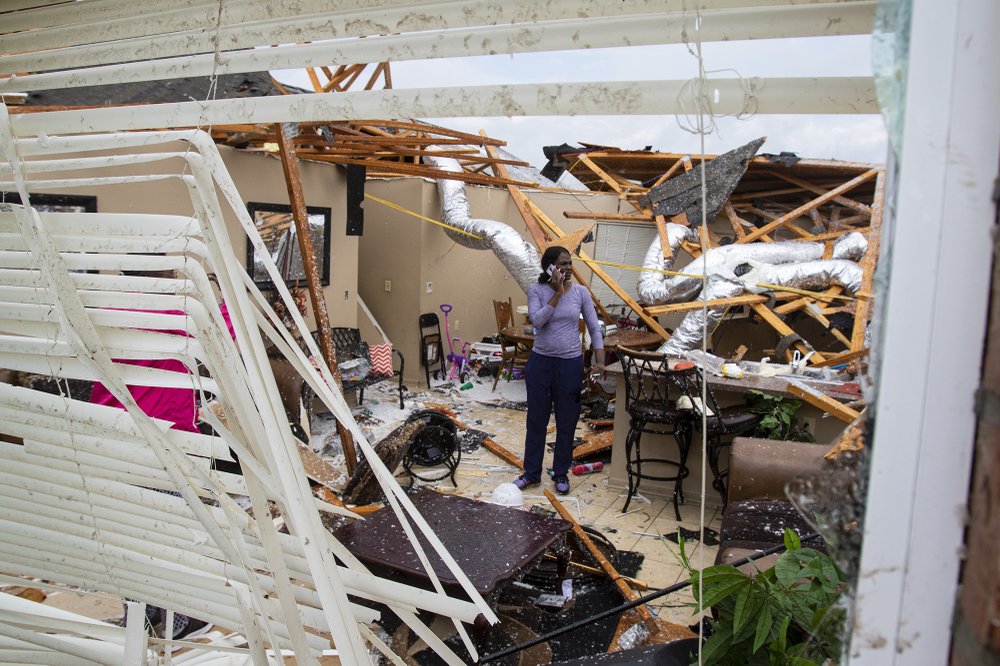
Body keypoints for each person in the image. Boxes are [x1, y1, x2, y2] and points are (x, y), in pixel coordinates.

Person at [514, 246, 605, 495]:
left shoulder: (581, 293)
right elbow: (537, 320)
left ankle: (561, 473)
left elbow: (594, 327)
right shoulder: (536, 290)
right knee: (536, 421)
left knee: (566, 421)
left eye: (569, 263)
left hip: (570, 365)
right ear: (549, 267)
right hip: (541, 364)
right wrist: (556, 294)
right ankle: (531, 473)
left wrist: (600, 359)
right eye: (562, 263)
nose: (567, 268)